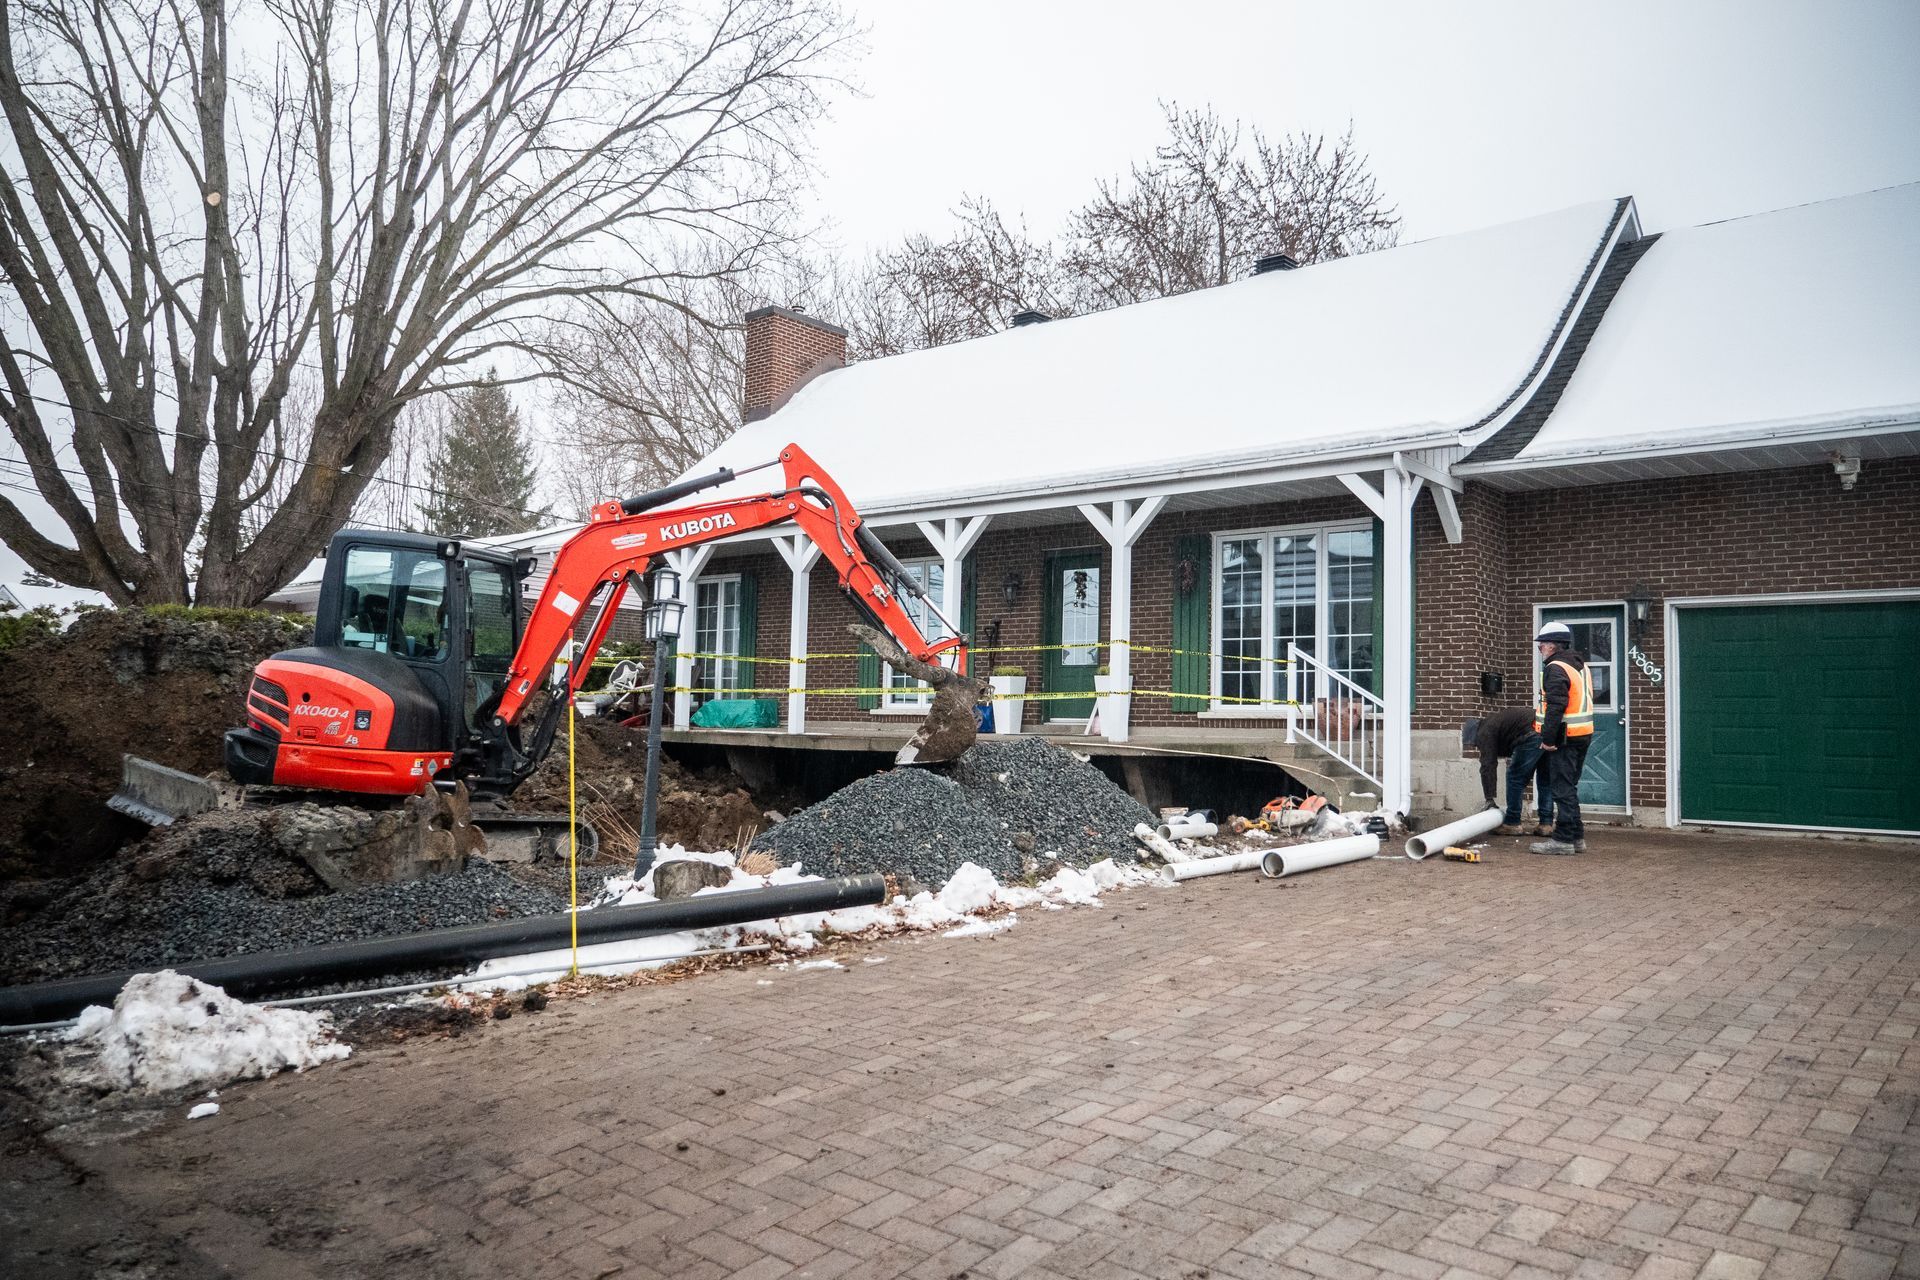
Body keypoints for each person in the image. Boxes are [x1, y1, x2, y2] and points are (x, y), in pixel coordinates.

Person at [1530, 621, 1595, 855]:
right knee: (1569, 787)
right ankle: (1576, 837)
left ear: (1554, 645)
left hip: (1564, 737)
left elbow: (1556, 706)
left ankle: (1564, 840)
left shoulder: (1556, 668)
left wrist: (1548, 739)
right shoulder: (1579, 665)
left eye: (1542, 645)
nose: (1540, 650)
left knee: (1561, 789)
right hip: (1582, 734)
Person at [1471, 707, 1554, 836]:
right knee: (1545, 779)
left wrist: (1489, 798)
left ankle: (1513, 823)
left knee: (1515, 777)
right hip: (1547, 729)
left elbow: (1488, 765)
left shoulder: (1483, 732)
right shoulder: (1494, 721)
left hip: (1531, 732)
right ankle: (1546, 824)